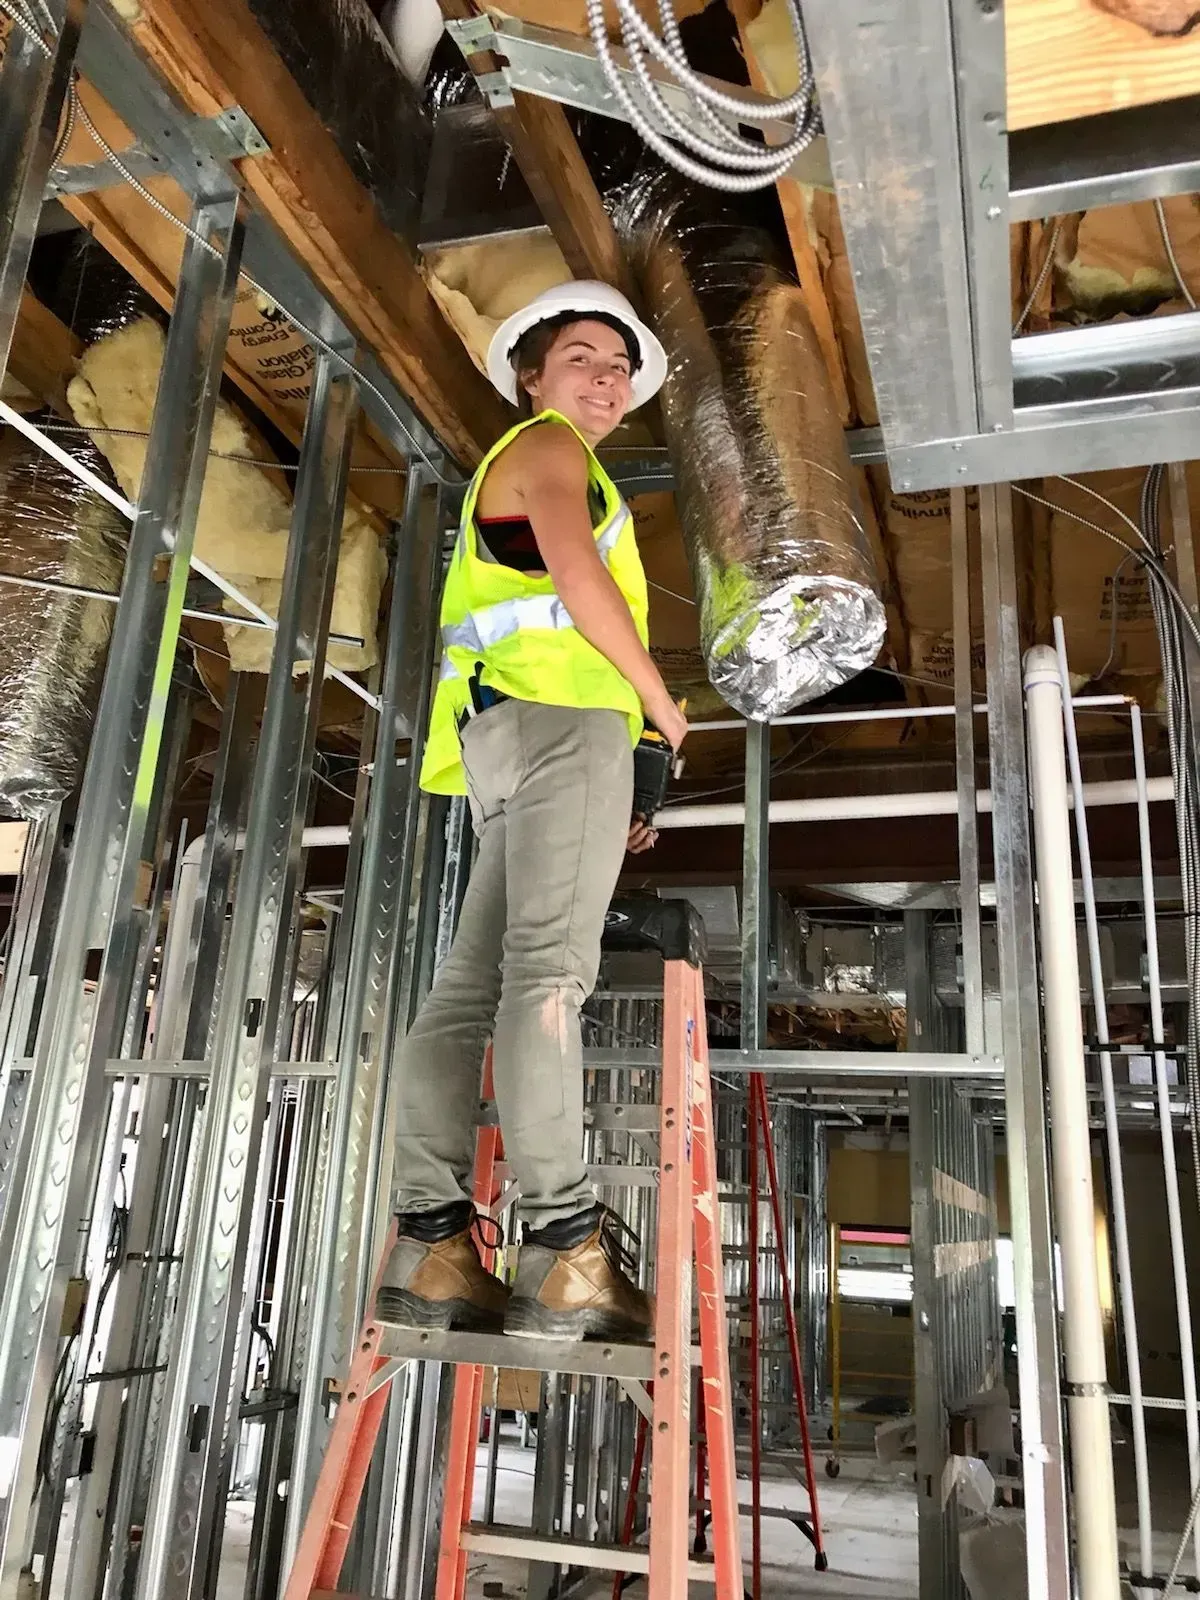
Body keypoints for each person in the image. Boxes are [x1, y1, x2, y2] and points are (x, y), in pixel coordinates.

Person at [377, 282, 687, 1343]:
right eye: (582, 359)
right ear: (531, 377)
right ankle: (563, 1245)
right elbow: (576, 572)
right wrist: (659, 706)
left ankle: (433, 1245)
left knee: (470, 989)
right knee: (548, 976)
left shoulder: (520, 462)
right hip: (566, 728)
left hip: (510, 741)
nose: (605, 379)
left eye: (619, 368)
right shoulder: (551, 448)